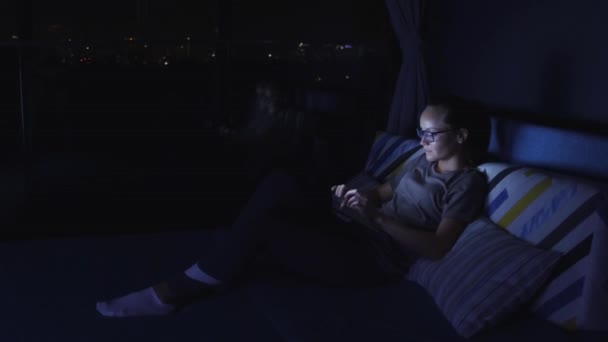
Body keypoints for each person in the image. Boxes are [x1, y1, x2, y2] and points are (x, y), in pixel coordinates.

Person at [96, 100, 490, 317]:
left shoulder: (467, 182)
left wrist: (377, 219)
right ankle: (211, 268)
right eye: (419, 132)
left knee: (267, 233)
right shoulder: (425, 162)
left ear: (461, 135)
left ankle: (176, 290)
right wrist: (362, 198)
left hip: (371, 259)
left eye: (430, 133)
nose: (421, 139)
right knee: (281, 182)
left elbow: (438, 247)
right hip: (354, 227)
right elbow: (387, 191)